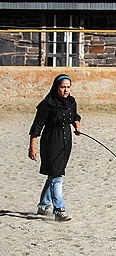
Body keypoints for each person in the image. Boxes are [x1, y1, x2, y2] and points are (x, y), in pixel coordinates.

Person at [28, 73, 81, 222]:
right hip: (51, 142)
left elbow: (75, 116)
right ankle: (59, 210)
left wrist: (77, 126)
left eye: (68, 87)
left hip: (66, 142)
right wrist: (32, 148)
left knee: (54, 174)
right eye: (63, 87)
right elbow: (36, 127)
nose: (66, 90)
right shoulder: (47, 104)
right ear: (56, 87)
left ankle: (43, 205)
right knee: (57, 177)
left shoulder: (71, 101)